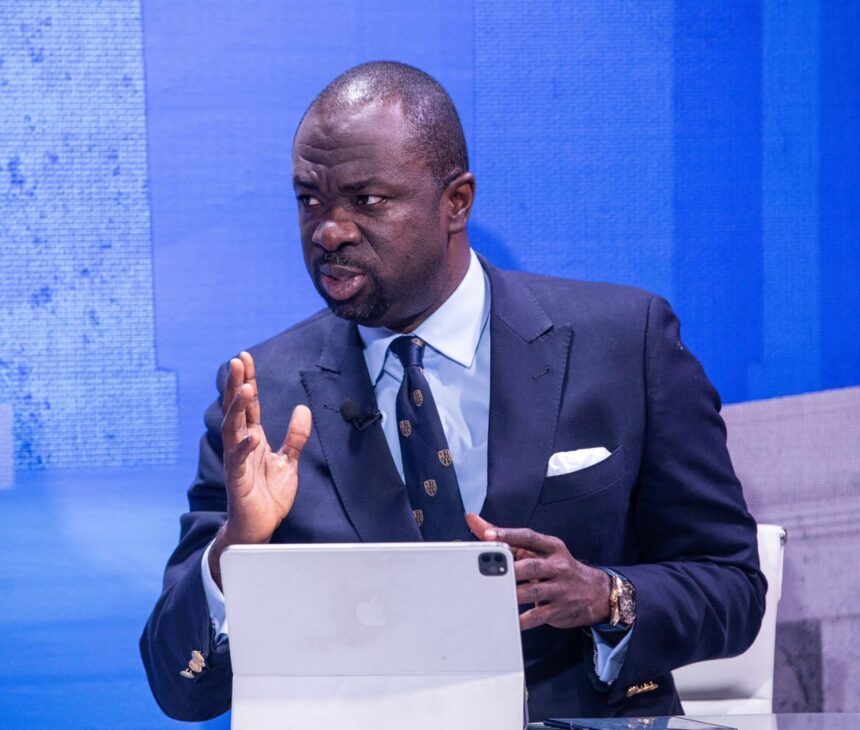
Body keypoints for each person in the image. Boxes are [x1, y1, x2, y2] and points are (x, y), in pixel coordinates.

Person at [140, 61, 765, 722]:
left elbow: (732, 583)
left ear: (456, 202)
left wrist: (604, 595)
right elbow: (180, 688)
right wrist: (236, 548)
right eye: (309, 200)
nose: (329, 230)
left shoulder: (623, 344)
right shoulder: (259, 396)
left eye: (366, 200)